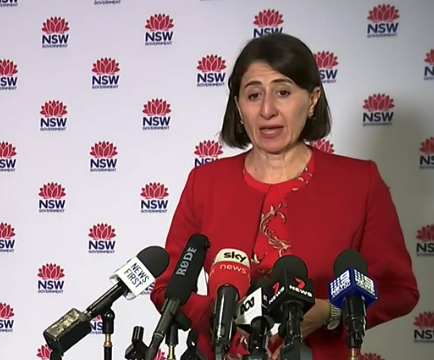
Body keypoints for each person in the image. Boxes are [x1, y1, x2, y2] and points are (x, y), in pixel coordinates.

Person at [150, 33, 419, 360]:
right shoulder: (204, 183)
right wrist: (228, 315)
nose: (267, 110)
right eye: (253, 95)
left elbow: (397, 290)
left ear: (312, 99)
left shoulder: (360, 181)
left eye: (283, 92)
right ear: (238, 106)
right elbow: (167, 290)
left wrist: (331, 312)